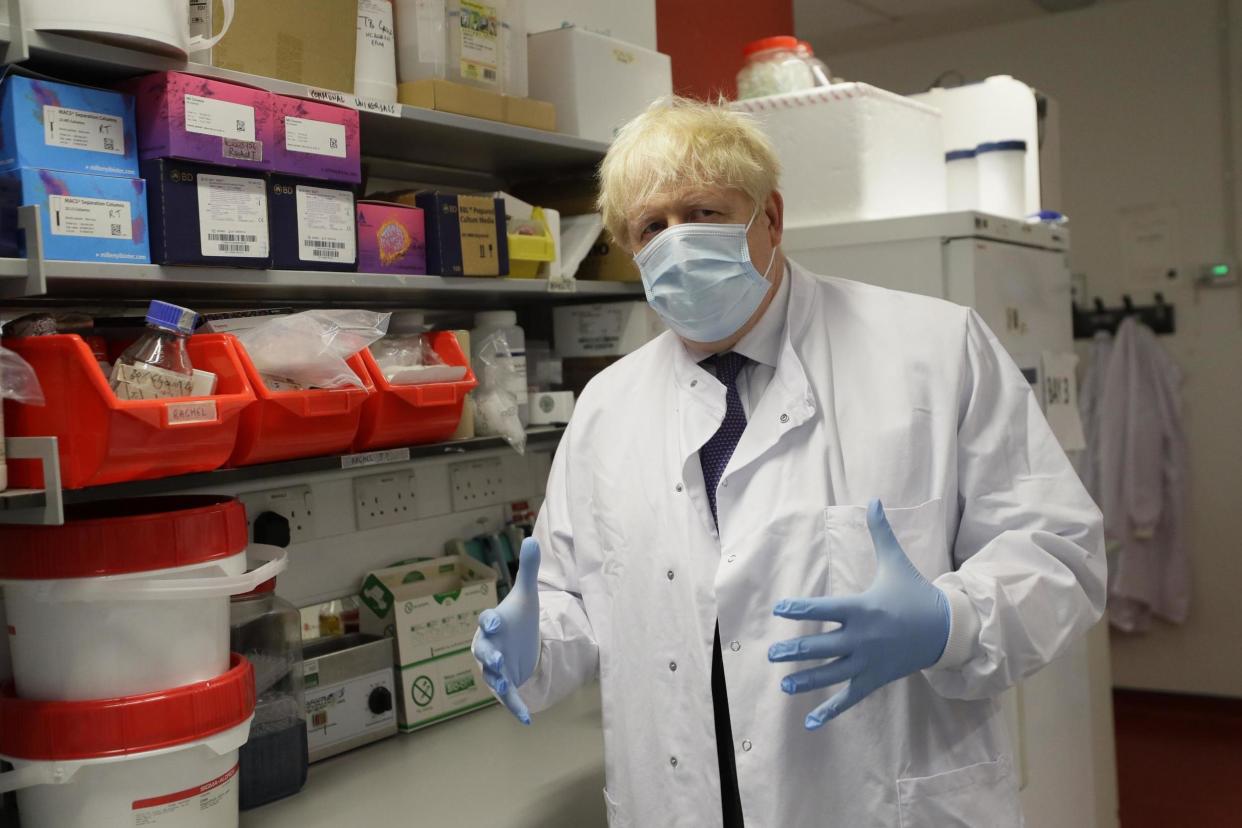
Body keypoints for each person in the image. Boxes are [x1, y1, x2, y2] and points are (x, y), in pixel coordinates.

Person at [472, 96, 1105, 827]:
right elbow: (575, 604)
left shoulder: (934, 351)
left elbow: (1062, 553)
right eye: (652, 227)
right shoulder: (607, 408)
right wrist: (530, 645)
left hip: (878, 800)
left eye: (703, 212)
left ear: (770, 218)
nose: (677, 240)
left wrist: (950, 622)